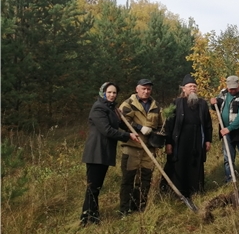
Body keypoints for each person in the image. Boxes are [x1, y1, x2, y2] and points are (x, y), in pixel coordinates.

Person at [80, 82, 139, 226]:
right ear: (103, 92)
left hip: (105, 152)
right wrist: (127, 136)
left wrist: (139, 129)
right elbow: (107, 130)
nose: (112, 95)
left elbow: (122, 124)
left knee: (97, 186)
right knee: (93, 187)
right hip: (96, 152)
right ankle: (88, 218)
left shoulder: (112, 109)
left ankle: (90, 216)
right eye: (109, 92)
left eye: (114, 93)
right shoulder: (98, 108)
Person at [161, 74, 212, 199]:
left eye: (194, 86)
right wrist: (168, 143)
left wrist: (208, 140)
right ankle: (179, 193)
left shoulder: (202, 104)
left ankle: (195, 191)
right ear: (183, 89)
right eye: (190, 86)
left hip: (196, 140)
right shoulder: (176, 103)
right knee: (180, 164)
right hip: (180, 141)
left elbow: (208, 124)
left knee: (195, 165)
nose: (193, 88)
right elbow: (169, 124)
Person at [118, 79, 164, 216]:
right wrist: (139, 128)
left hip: (148, 149)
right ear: (137, 89)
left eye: (148, 89)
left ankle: (140, 206)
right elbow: (121, 122)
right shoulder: (128, 104)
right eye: (143, 88)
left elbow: (160, 125)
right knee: (128, 178)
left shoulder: (155, 106)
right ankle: (124, 209)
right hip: (132, 147)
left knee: (145, 178)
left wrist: (158, 137)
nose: (146, 91)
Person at [210, 75, 239, 183]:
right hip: (227, 133)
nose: (232, 90)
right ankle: (230, 181)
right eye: (230, 88)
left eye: (234, 88)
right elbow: (217, 106)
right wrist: (212, 103)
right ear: (227, 86)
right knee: (228, 159)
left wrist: (229, 128)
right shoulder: (223, 93)